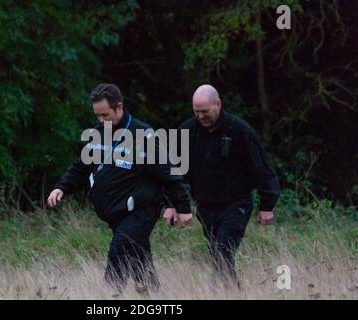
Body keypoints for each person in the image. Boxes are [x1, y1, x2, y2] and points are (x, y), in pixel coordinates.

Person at [48, 83, 192, 296]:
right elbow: (80, 167)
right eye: (97, 115)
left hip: (141, 209)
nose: (100, 120)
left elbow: (169, 172)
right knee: (138, 257)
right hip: (116, 214)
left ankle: (109, 296)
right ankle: (152, 295)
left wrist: (181, 206)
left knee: (120, 250)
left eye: (104, 114)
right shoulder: (98, 134)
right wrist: (61, 187)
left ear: (119, 107)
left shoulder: (143, 135)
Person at [164, 84, 280, 287]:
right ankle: (231, 292)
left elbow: (261, 167)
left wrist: (267, 204)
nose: (201, 116)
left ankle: (219, 292)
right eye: (196, 111)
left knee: (222, 251)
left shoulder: (240, 130)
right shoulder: (185, 132)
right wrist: (172, 204)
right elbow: (174, 172)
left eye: (205, 111)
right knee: (219, 257)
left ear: (218, 104)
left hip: (236, 204)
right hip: (206, 208)